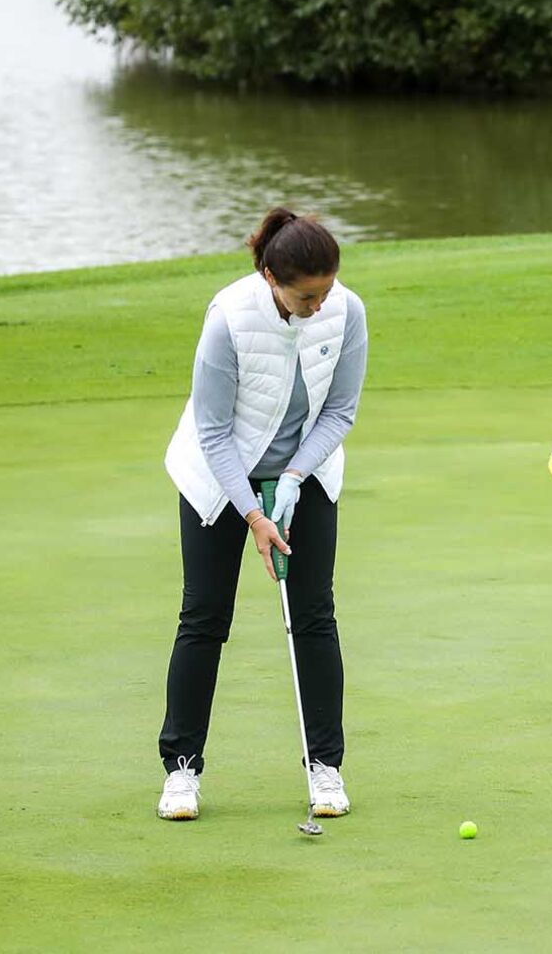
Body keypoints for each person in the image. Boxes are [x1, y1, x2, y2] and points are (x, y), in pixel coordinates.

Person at [155, 208, 368, 822]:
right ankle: (181, 771)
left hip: (306, 473)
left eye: (326, 291)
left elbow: (340, 411)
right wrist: (253, 514)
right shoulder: (228, 318)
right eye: (306, 296)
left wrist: (294, 479)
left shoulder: (347, 311)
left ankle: (325, 767)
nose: (318, 305)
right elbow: (213, 432)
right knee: (204, 617)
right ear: (271, 277)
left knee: (313, 616)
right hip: (218, 478)